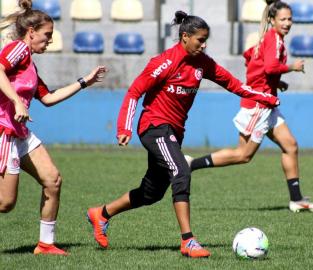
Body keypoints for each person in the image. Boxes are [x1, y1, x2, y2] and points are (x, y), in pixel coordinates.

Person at [86, 10, 280, 258]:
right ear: (185, 37)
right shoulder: (164, 63)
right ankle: (188, 241)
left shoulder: (204, 63)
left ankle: (101, 214)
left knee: (151, 192)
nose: (204, 44)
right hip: (154, 127)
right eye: (200, 39)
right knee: (180, 171)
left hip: (174, 132)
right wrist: (124, 128)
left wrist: (265, 97)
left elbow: (235, 85)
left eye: (206, 39)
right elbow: (134, 92)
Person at [187, 0, 313, 213]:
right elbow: (269, 66)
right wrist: (291, 67)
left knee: (290, 145)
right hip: (259, 105)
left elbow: (253, 61)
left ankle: (296, 199)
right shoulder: (274, 40)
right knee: (243, 155)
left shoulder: (271, 39)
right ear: (272, 20)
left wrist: (276, 82)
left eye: (290, 19)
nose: (287, 23)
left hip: (268, 103)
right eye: (283, 19)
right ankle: (191, 165)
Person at [0, 0, 107, 255]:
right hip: (4, 130)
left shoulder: (30, 66)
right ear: (31, 32)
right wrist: (16, 100)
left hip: (20, 133)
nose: (49, 40)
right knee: (5, 203)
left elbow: (48, 98)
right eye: (47, 35)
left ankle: (45, 244)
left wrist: (83, 82)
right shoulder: (18, 49)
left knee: (52, 180)